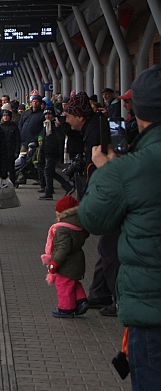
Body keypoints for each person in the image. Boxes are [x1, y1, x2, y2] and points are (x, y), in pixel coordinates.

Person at [79, 65, 161, 391]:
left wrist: (104, 170)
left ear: (137, 113)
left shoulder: (126, 170)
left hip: (151, 314)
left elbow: (93, 218)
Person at [65, 91, 118, 315]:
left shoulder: (96, 133)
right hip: (108, 196)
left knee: (109, 249)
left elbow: (97, 170)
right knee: (106, 247)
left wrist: (91, 201)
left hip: (109, 198)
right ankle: (99, 293)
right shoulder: (94, 127)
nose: (66, 120)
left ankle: (118, 299)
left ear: (80, 116)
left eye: (68, 115)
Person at [42, 194, 89, 318]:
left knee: (63, 285)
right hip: (78, 258)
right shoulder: (80, 224)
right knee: (73, 282)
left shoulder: (63, 229)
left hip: (67, 262)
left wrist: (55, 262)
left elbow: (63, 248)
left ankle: (66, 309)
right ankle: (81, 301)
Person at [37, 107, 72, 200]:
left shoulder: (56, 125)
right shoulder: (45, 125)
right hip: (46, 151)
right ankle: (67, 187)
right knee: (51, 172)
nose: (47, 116)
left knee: (48, 172)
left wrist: (60, 154)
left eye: (49, 114)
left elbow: (60, 139)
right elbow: (41, 135)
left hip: (52, 152)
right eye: (46, 114)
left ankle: (48, 192)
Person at [0, 106, 21, 184]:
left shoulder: (14, 127)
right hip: (1, 150)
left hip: (11, 149)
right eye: (4, 116)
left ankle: (12, 182)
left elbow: (18, 140)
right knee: (1, 167)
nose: (5, 117)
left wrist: (16, 151)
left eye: (7, 116)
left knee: (11, 168)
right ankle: (2, 182)